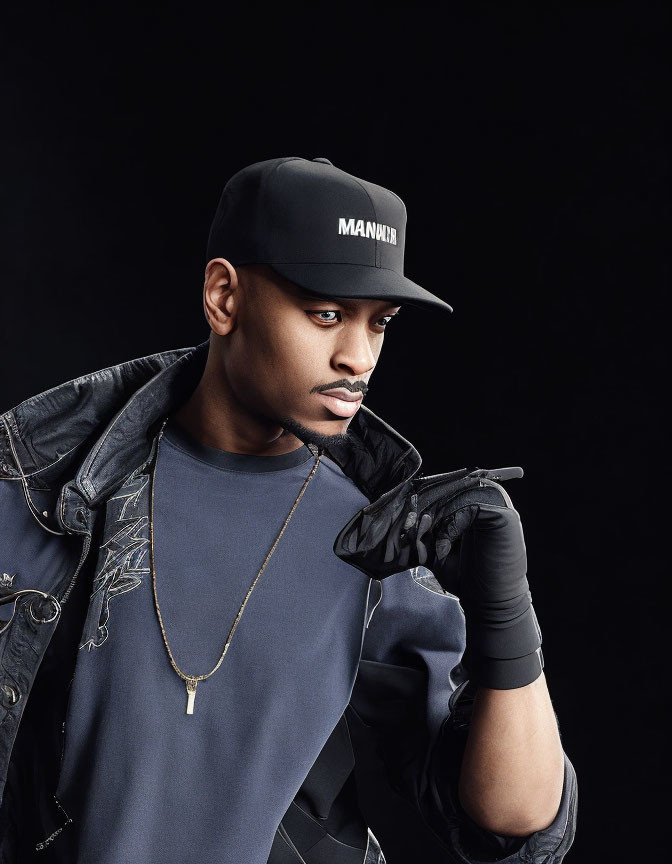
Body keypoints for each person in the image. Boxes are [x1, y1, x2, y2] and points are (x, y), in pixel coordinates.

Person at [0, 156, 577, 863]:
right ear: (224, 297)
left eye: (380, 323)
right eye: (326, 313)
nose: (357, 357)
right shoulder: (45, 489)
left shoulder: (375, 538)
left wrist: (506, 613)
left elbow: (516, 825)